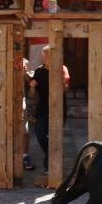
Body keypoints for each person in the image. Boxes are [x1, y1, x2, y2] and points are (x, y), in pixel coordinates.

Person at [28, 45, 71, 173]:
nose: (46, 59)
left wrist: (63, 82)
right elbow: (32, 94)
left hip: (58, 108)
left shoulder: (62, 69)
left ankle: (49, 167)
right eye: (45, 56)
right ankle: (54, 157)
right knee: (40, 135)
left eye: (48, 56)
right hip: (42, 108)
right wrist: (32, 87)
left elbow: (66, 89)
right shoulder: (39, 71)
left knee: (54, 136)